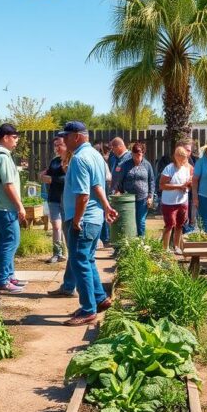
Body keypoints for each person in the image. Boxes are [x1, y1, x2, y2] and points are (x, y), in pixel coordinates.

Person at [51, 121, 119, 326]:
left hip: (84, 219)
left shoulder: (80, 158)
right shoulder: (96, 155)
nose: (63, 140)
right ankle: (99, 298)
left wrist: (77, 220)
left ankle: (88, 310)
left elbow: (83, 195)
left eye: (66, 136)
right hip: (96, 218)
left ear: (77, 137)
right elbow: (97, 185)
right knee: (87, 260)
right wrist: (107, 206)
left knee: (79, 262)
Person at [0, 124, 29, 294]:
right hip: (5, 207)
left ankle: (8, 276)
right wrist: (20, 206)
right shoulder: (2, 157)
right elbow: (8, 185)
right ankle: (3, 281)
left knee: (5, 242)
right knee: (11, 242)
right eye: (15, 137)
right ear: (5, 137)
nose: (17, 141)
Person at [112, 142, 156, 237]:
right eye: (134, 154)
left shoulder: (147, 165)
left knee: (140, 221)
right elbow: (119, 180)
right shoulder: (125, 165)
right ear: (131, 154)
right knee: (128, 221)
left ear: (143, 153)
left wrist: (150, 196)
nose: (137, 157)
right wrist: (118, 191)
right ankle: (129, 240)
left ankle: (141, 242)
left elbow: (151, 181)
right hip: (128, 199)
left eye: (139, 154)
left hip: (142, 198)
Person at [39, 133, 68, 263]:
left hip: (67, 199)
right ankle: (57, 253)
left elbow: (68, 179)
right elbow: (48, 175)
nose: (56, 148)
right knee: (56, 226)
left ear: (66, 145)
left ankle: (70, 252)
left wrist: (52, 179)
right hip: (54, 198)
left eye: (59, 145)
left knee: (67, 227)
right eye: (55, 145)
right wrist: (43, 176)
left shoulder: (71, 161)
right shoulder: (55, 161)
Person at [159, 146, 193, 254]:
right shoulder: (169, 168)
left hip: (183, 201)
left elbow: (187, 184)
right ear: (176, 157)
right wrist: (179, 187)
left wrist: (188, 185)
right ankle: (165, 248)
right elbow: (162, 185)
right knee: (169, 225)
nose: (184, 160)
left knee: (180, 225)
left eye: (185, 158)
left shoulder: (186, 169)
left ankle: (177, 246)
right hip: (169, 202)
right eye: (182, 158)